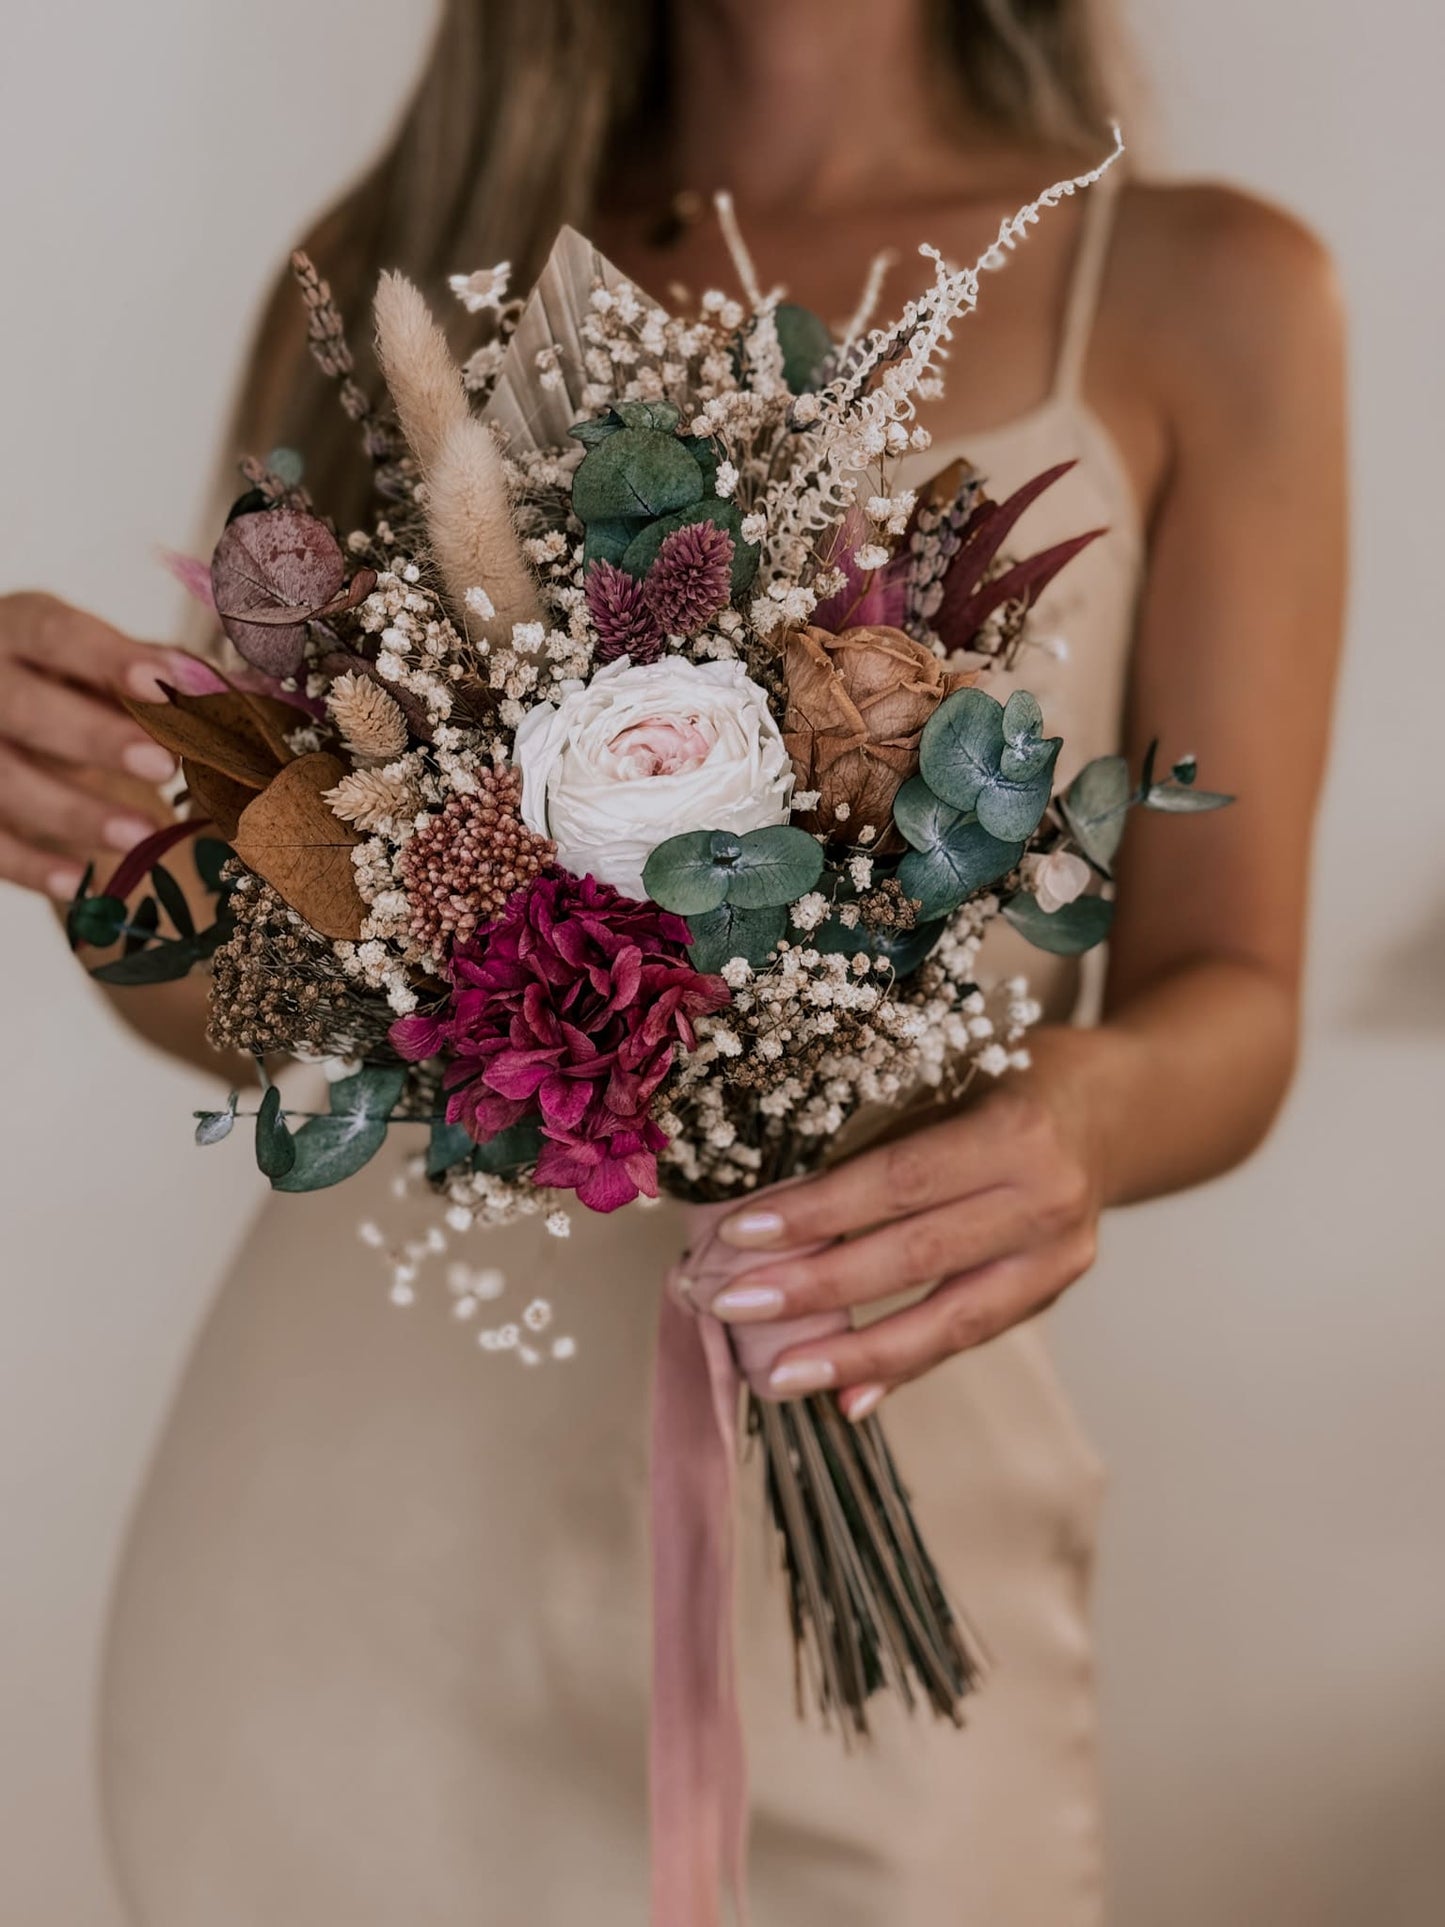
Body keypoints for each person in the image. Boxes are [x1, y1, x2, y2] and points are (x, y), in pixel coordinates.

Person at [0, 2, 1346, 1921]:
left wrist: (1080, 1128)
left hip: (872, 1463)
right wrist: (92, 823)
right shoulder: (398, 250)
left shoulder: (1210, 289)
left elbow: (1237, 998)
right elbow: (246, 1018)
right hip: (347, 1556)